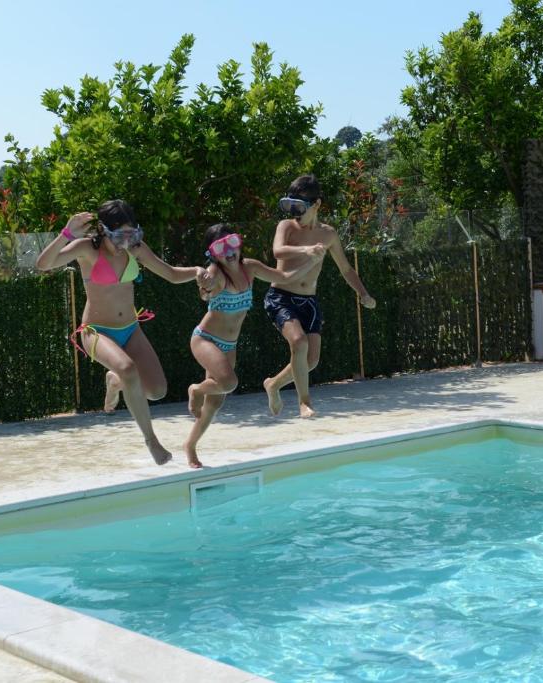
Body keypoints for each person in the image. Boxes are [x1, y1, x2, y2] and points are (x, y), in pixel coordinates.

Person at [35, 200, 206, 466]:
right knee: (128, 368)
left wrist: (196, 271)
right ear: (103, 230)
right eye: (119, 235)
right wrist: (66, 234)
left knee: (157, 391)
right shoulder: (86, 249)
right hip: (95, 331)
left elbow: (170, 274)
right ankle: (151, 440)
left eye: (131, 234)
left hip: (130, 328)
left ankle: (115, 381)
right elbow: (43, 264)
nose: (125, 241)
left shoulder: (134, 249)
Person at [183, 223, 324, 468]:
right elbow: (205, 291)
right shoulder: (215, 273)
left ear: (239, 243)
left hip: (228, 345)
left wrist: (312, 260)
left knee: (216, 402)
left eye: (232, 243)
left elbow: (284, 278)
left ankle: (190, 445)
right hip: (205, 339)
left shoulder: (250, 268)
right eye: (221, 247)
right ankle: (195, 390)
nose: (229, 251)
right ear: (213, 253)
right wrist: (203, 286)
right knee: (228, 383)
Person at [263, 174, 376, 418]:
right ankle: (304, 403)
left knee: (310, 361)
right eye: (290, 206)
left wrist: (363, 293)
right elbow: (278, 251)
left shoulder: (328, 235)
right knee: (298, 343)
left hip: (309, 302)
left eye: (300, 207)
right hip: (281, 296)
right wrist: (305, 249)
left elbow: (346, 269)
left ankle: (273, 384)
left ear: (316, 205)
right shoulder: (287, 227)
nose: (295, 213)